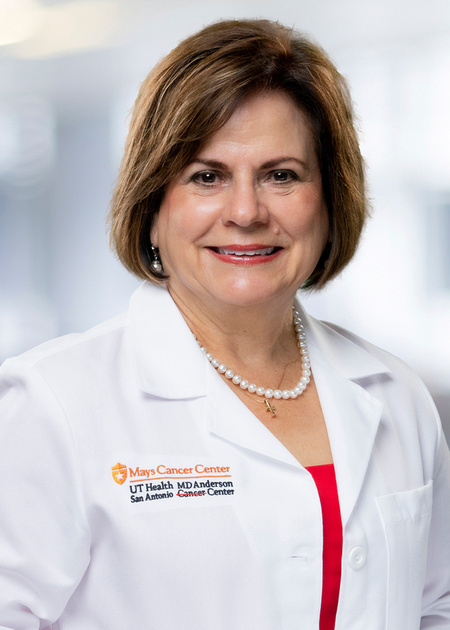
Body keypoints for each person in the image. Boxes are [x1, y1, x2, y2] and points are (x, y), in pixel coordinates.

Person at [0, 18, 449, 630]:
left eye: (281, 175)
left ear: (329, 200)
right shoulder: (51, 403)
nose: (246, 211)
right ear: (153, 208)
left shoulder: (399, 398)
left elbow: (434, 608)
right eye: (206, 177)